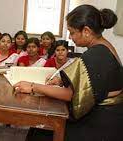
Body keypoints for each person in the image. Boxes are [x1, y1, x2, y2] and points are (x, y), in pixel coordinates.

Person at [14, 5, 123, 141]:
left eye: (72, 32)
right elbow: (95, 81)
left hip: (102, 123)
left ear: (86, 31)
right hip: (111, 116)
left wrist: (32, 86)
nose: (71, 38)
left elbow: (70, 94)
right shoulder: (105, 47)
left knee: (40, 131)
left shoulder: (96, 55)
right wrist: (60, 80)